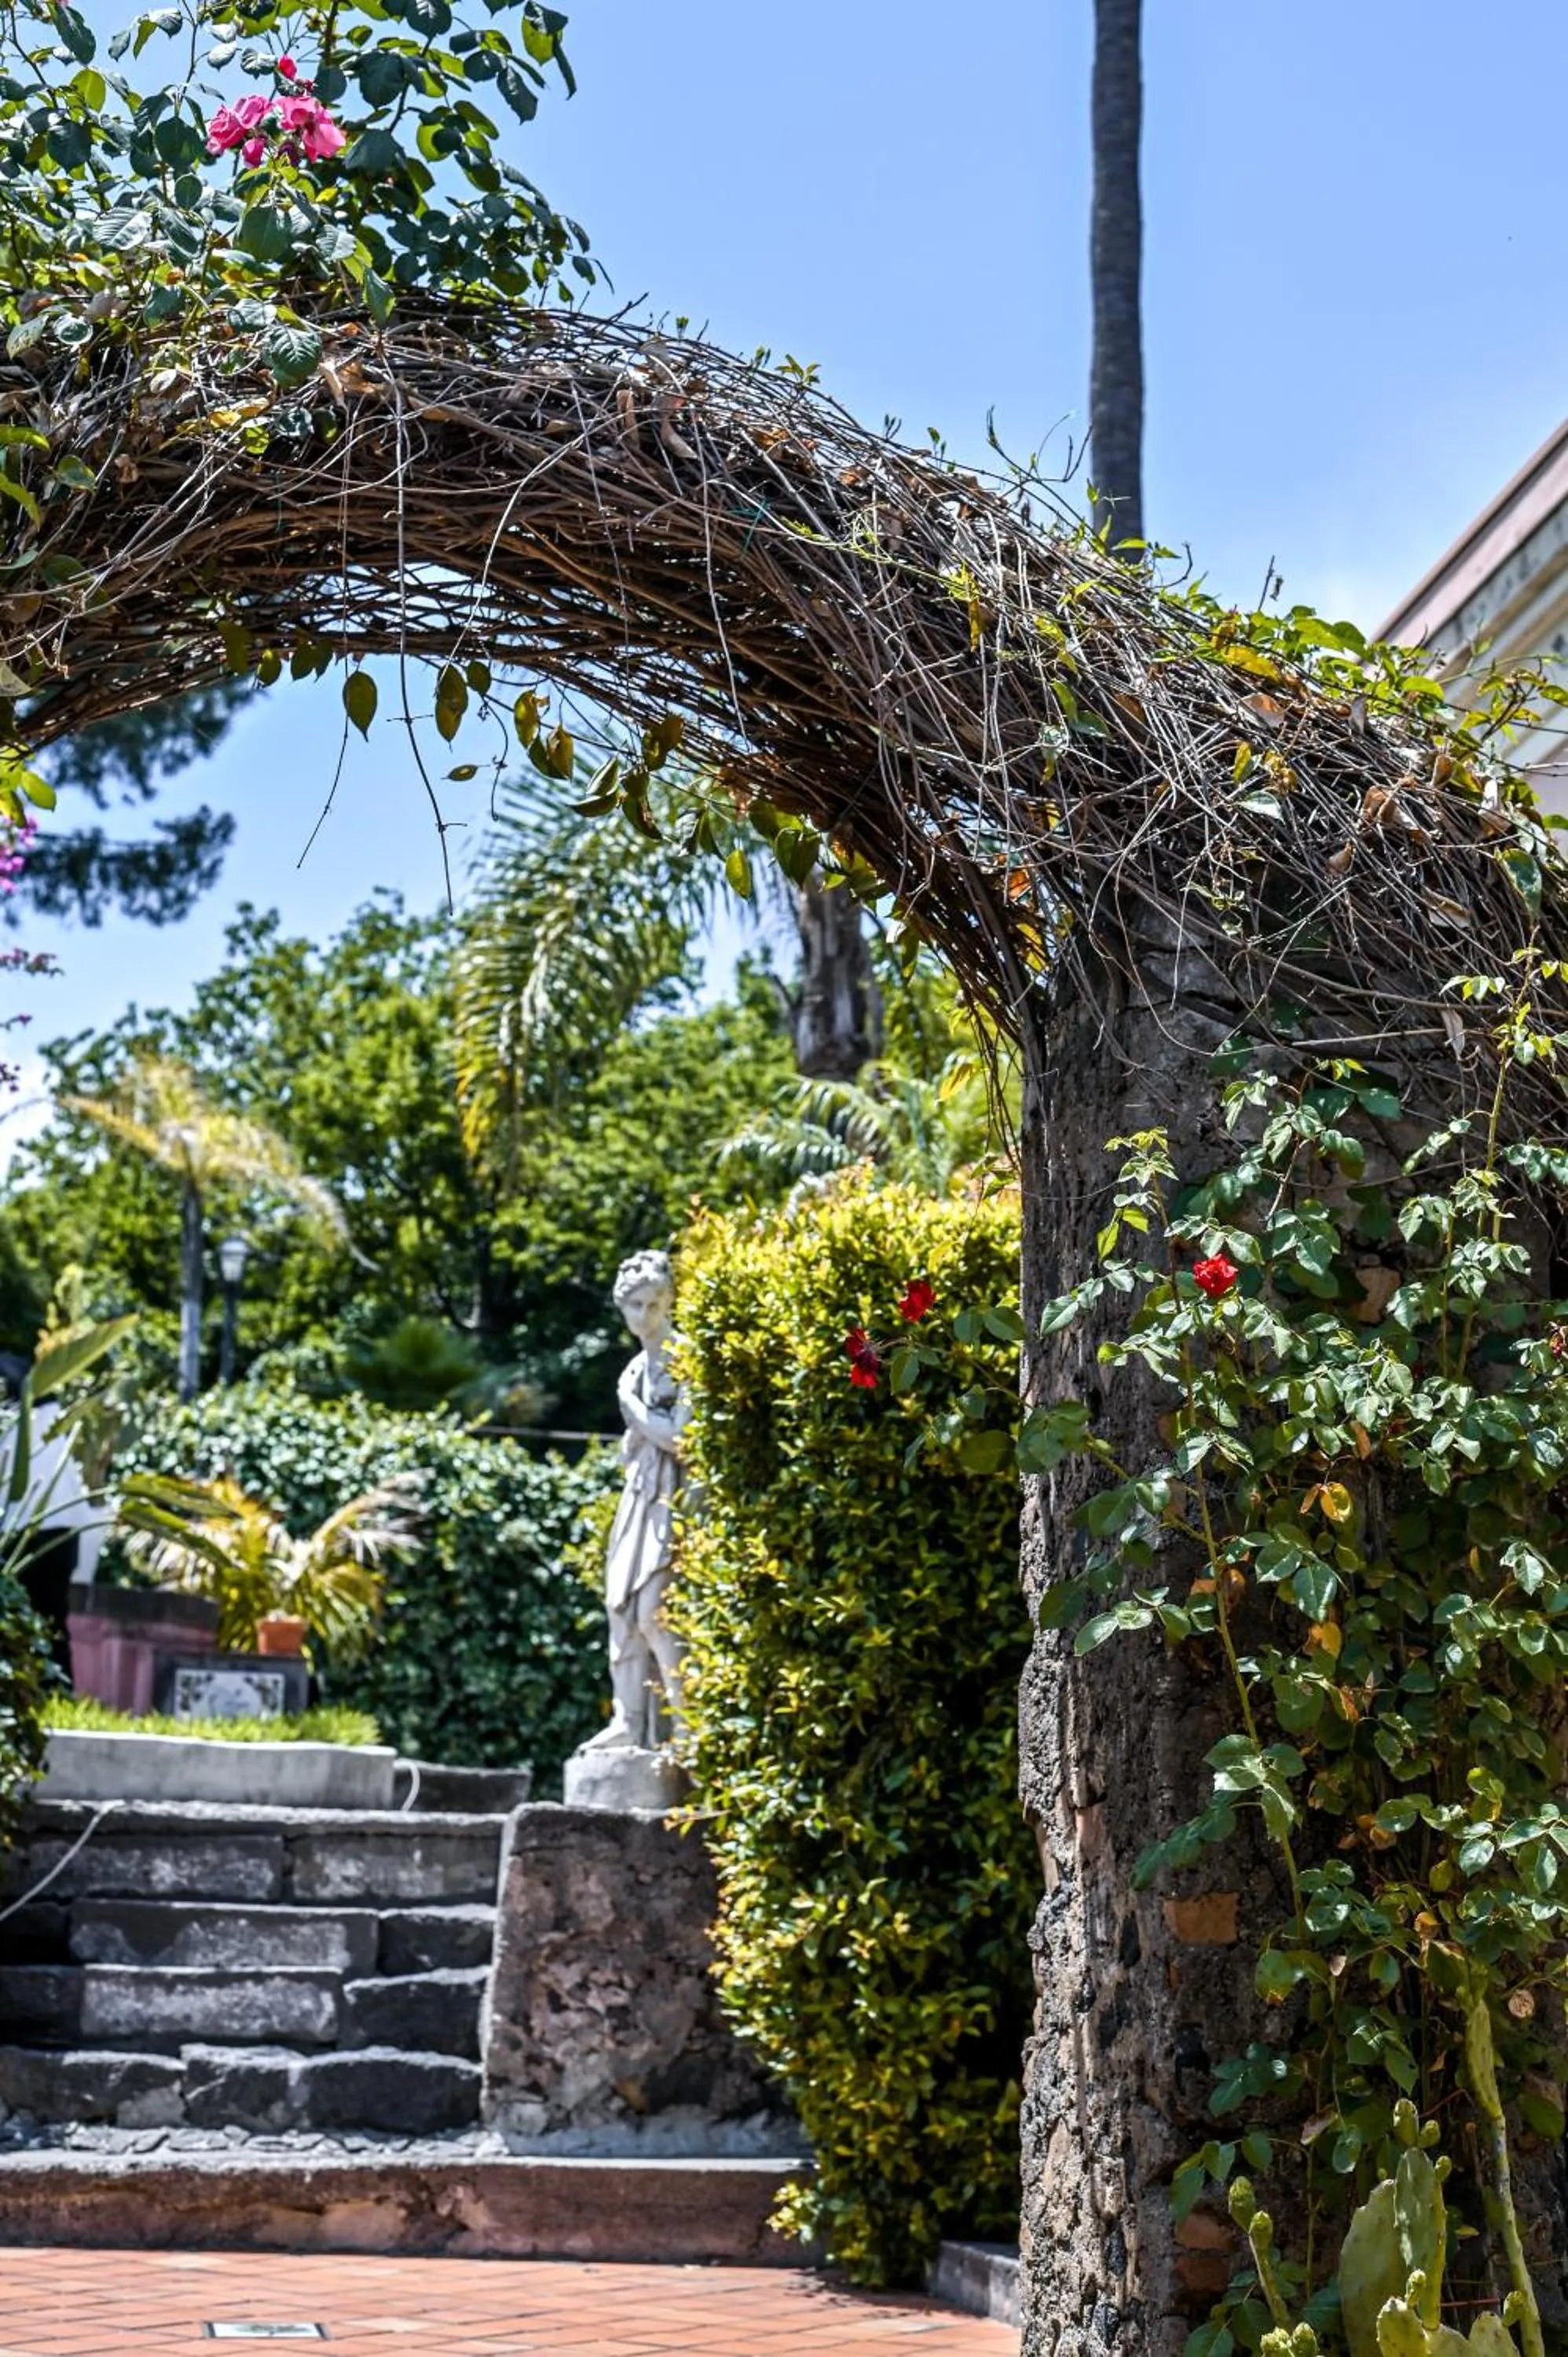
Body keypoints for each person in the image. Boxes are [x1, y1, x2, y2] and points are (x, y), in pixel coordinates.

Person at [581, 1249, 687, 1754]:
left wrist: (633, 1409)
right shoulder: (634, 1366)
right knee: (620, 1607)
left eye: (654, 1305)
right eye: (635, 1306)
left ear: (668, 1303)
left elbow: (681, 1436)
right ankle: (628, 1719)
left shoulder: (683, 1357)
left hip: (674, 1494)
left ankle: (688, 1728)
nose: (644, 1317)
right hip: (640, 1491)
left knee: (654, 1612)